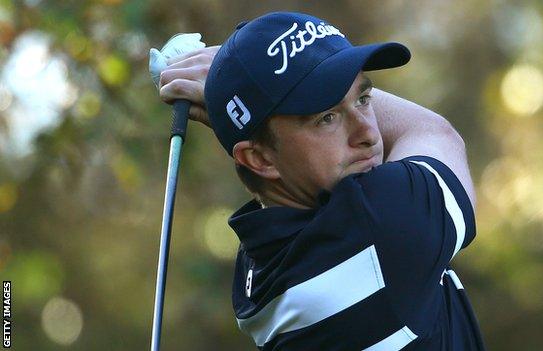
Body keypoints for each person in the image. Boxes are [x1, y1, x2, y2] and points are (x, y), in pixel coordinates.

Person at [158, 11, 485, 351]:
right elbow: (433, 132)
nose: (369, 134)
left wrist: (236, 96)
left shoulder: (256, 269)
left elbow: (271, 143)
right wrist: (227, 79)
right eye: (326, 117)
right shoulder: (381, 227)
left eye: (363, 98)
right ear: (259, 159)